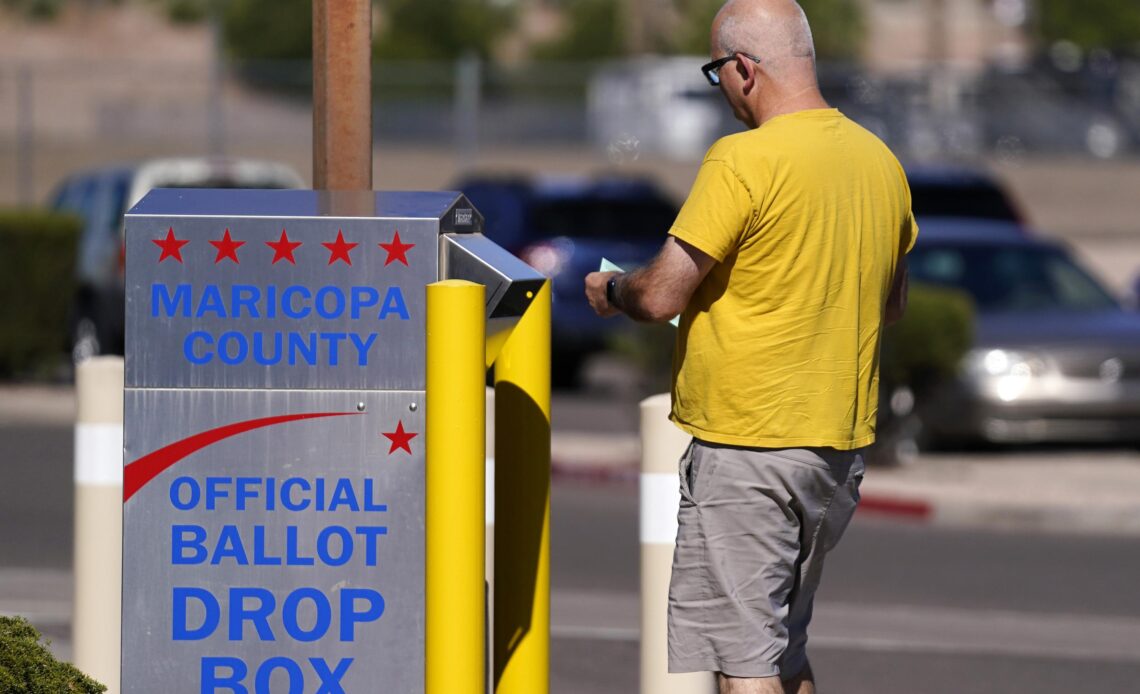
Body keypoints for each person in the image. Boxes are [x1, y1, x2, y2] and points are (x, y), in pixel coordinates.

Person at [584, 1, 916, 692]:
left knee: (743, 666)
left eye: (716, 74)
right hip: (835, 451)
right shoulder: (879, 162)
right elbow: (891, 306)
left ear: (742, 69)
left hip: (749, 448)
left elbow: (662, 295)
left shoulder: (742, 159)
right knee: (782, 653)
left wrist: (613, 292)